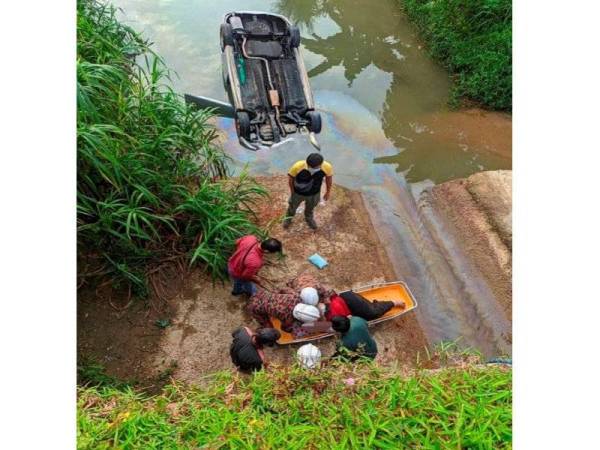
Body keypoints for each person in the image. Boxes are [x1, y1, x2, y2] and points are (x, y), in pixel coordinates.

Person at [283, 153, 333, 230]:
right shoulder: (297, 166)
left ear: (321, 163)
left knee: (310, 207)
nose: (314, 168)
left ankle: (308, 218)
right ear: (307, 163)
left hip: (314, 193)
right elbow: (291, 179)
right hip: (298, 192)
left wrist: (328, 191)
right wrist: (293, 192)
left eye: (316, 167)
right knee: (292, 206)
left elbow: (328, 179)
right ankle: (288, 218)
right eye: (311, 167)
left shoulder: (327, 167)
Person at [324, 291, 405, 321]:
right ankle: (375, 304)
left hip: (349, 301)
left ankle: (394, 302)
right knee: (368, 310)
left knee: (372, 313)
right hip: (347, 300)